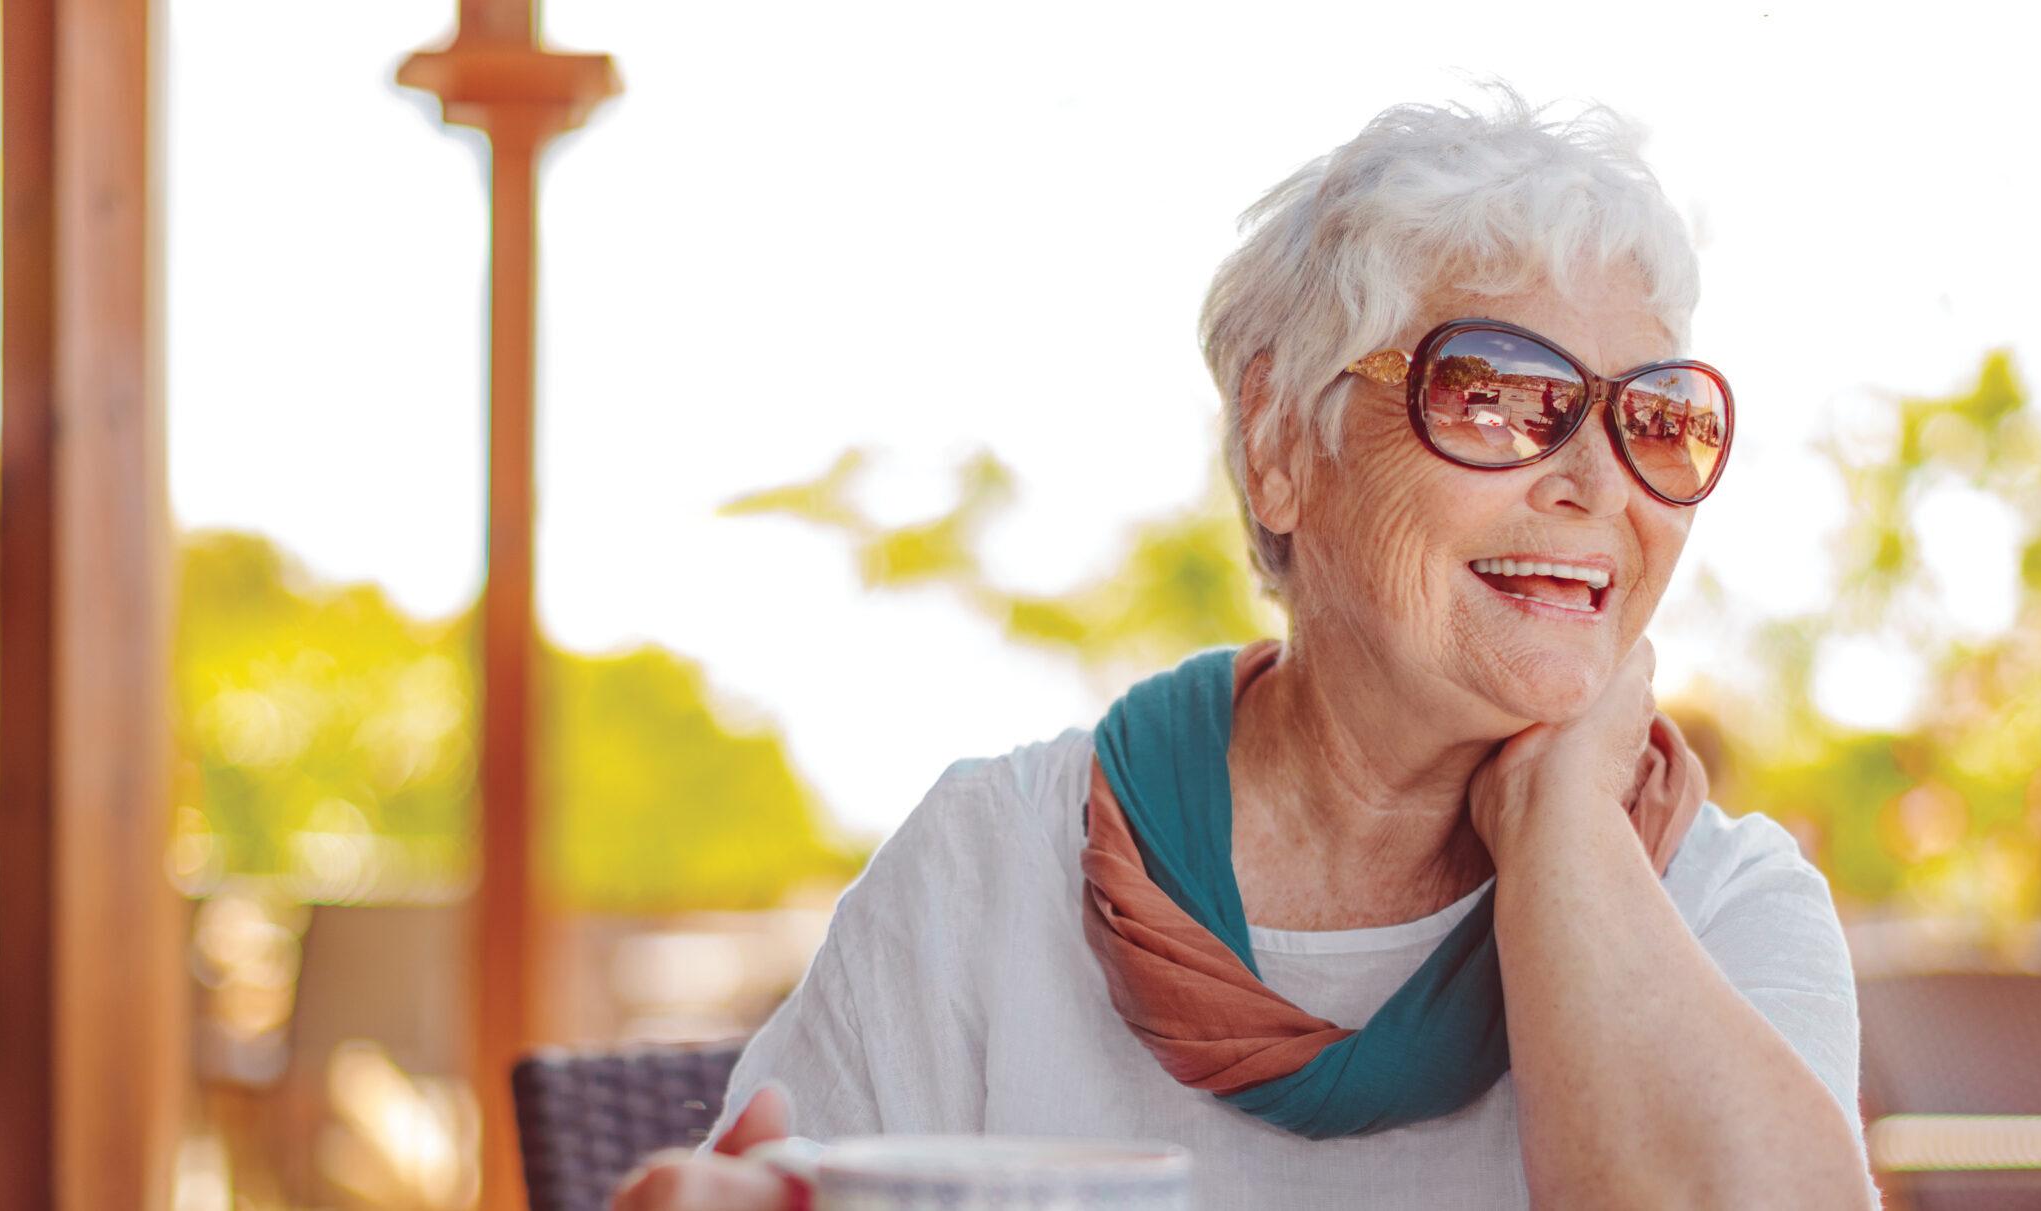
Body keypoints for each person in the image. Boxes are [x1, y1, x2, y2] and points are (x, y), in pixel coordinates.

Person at [614, 89, 1876, 1210]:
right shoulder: (992, 864)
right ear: (1281, 441)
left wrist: (1560, 818)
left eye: (1657, 417)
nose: (1601, 481)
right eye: (1495, 391)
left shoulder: (1722, 907)